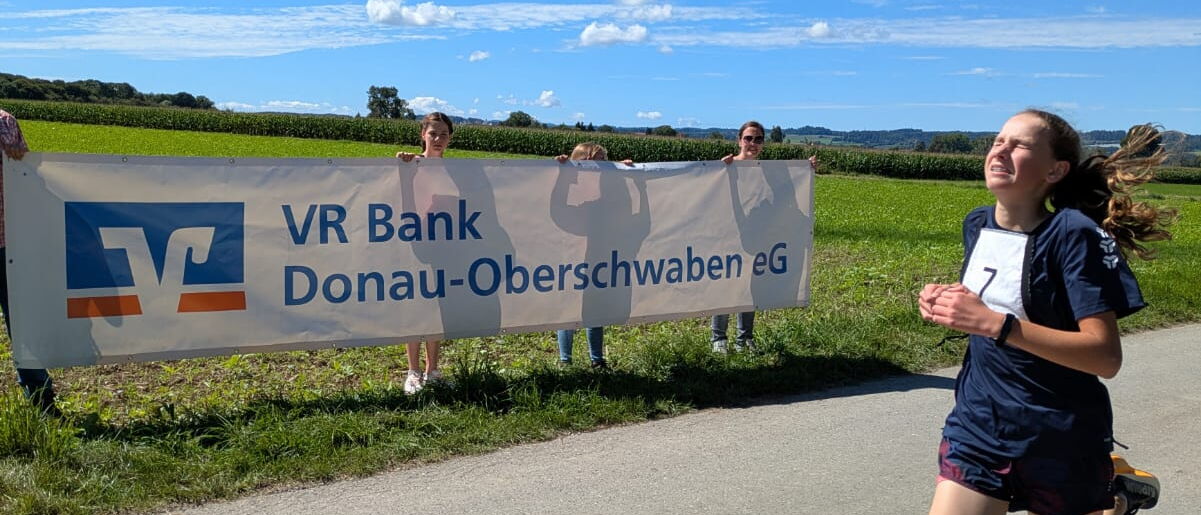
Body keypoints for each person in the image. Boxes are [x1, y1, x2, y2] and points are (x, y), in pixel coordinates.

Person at [918, 110, 1173, 515]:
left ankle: (1119, 497)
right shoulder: (977, 224)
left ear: (1055, 170)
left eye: (1019, 145)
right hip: (978, 428)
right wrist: (950, 300)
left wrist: (996, 325)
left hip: (1059, 438)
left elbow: (1105, 357)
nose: (1000, 151)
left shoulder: (1072, 235)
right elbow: (996, 297)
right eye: (998, 141)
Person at [711, 121, 816, 354]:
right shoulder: (727, 166)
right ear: (739, 140)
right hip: (729, 235)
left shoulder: (767, 171)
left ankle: (744, 339)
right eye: (748, 138)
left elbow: (788, 192)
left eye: (758, 139)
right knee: (725, 286)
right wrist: (719, 168)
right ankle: (719, 338)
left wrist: (805, 169)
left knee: (751, 287)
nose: (753, 143)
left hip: (757, 237)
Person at [550, 142, 637, 370]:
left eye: (602, 162)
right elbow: (557, 208)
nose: (597, 167)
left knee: (594, 308)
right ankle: (565, 361)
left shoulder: (606, 200)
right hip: (571, 258)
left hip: (599, 260)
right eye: (589, 162)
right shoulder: (577, 195)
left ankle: (597, 360)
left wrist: (624, 173)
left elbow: (626, 205)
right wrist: (563, 173)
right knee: (569, 308)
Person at [0, 109, 59, 415]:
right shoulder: (4, 121)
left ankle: (41, 400)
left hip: (8, 244)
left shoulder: (4, 122)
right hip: (9, 242)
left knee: (22, 326)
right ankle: (41, 401)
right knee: (22, 325)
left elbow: (23, 168)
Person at [396, 112, 454, 394]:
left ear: (450, 138)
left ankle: (433, 370)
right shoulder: (412, 164)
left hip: (443, 243)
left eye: (444, 134)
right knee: (415, 305)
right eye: (433, 134)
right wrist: (403, 165)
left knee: (436, 308)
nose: (438, 139)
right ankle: (413, 371)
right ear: (423, 135)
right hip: (414, 241)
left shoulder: (456, 171)